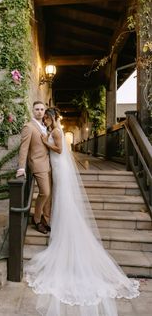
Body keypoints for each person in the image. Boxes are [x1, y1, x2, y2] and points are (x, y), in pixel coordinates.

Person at [25, 107, 140, 316]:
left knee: (62, 198)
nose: (47, 119)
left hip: (58, 166)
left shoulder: (57, 132)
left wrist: (45, 141)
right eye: (45, 117)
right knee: (57, 196)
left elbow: (59, 150)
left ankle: (61, 225)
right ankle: (53, 221)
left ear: (52, 118)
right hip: (55, 168)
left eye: (48, 117)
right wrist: (45, 139)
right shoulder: (51, 129)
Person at [16, 101, 52, 235]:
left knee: (49, 194)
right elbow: (23, 148)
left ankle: (45, 219)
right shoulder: (28, 127)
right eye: (37, 109)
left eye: (42, 109)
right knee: (45, 192)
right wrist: (21, 168)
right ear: (32, 110)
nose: (40, 111)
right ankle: (36, 219)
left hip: (48, 163)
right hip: (37, 164)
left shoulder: (44, 126)